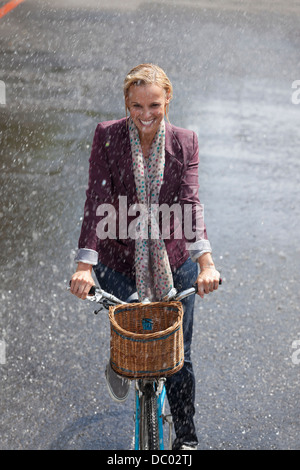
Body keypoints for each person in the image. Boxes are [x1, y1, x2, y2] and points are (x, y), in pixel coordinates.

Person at [70, 63, 220, 450]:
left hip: (175, 260)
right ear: (126, 104)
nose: (146, 115)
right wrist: (84, 265)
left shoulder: (185, 141)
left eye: (154, 104)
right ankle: (124, 356)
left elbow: (190, 203)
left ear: (167, 98)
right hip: (118, 257)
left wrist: (205, 262)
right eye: (136, 106)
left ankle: (186, 438)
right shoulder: (108, 136)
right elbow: (97, 200)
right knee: (136, 321)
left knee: (177, 356)